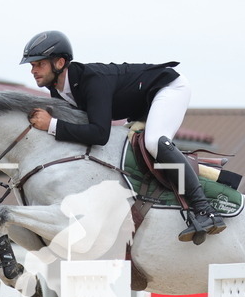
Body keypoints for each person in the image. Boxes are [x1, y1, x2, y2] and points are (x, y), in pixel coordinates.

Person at [21, 30, 225, 244]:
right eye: (32, 65)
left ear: (60, 63)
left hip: (168, 88)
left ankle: (205, 210)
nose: (33, 71)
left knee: (154, 143)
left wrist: (52, 125)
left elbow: (99, 134)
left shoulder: (92, 80)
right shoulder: (58, 90)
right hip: (141, 106)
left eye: (39, 64)